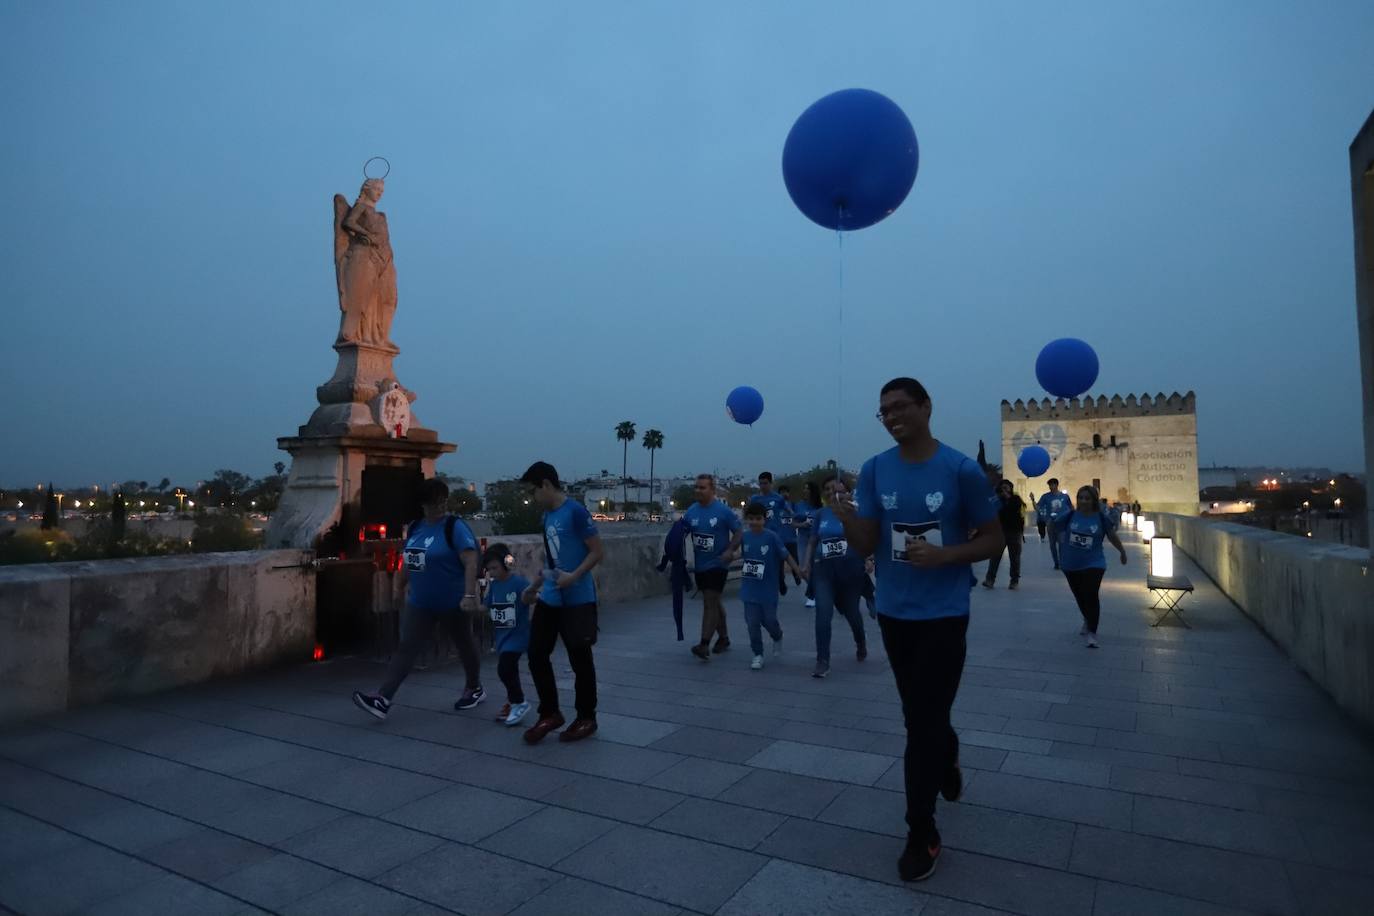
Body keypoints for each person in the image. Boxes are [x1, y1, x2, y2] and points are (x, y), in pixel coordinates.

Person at [831, 377, 1003, 883]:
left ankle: (920, 830)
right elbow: (866, 543)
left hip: (945, 614)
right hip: (894, 613)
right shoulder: (875, 470)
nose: (891, 416)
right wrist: (843, 515)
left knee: (920, 723)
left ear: (927, 406)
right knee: (921, 714)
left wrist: (945, 555)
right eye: (883, 410)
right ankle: (946, 756)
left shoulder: (960, 470)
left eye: (901, 406)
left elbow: (993, 540)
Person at [352, 478, 485, 720]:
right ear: (423, 504)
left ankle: (474, 687)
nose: (441, 507)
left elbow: (470, 561)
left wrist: (469, 594)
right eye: (435, 503)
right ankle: (383, 698)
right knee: (407, 647)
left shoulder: (454, 527)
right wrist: (399, 586)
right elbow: (411, 559)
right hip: (421, 602)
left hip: (453, 601)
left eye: (443, 501)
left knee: (464, 643)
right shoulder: (415, 528)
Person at [518, 461, 604, 744]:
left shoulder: (575, 512)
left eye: (533, 491)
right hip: (551, 596)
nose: (532, 498)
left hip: (578, 598)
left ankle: (586, 717)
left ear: (546, 484)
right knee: (536, 653)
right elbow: (551, 560)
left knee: (580, 660)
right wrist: (534, 586)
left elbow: (597, 551)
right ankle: (550, 712)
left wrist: (575, 576)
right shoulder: (547, 517)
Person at [801, 474, 870, 678]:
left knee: (852, 614)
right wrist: (805, 564)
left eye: (837, 490)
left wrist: (869, 559)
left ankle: (861, 641)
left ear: (846, 492)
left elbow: (867, 538)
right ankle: (822, 660)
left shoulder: (856, 512)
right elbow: (813, 541)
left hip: (850, 571)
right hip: (824, 571)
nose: (832, 493)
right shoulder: (821, 514)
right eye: (828, 490)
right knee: (823, 614)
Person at [1050, 485, 1127, 648]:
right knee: (1079, 596)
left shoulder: (1100, 517)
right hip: (1070, 564)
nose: (1084, 501)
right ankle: (1087, 618)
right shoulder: (1070, 515)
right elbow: (1054, 526)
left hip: (1094, 562)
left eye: (1087, 498)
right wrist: (1059, 541)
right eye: (1081, 498)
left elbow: (1111, 535)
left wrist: (1122, 551)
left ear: (1094, 500)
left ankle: (1092, 631)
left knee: (1091, 595)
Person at [729, 503, 801, 669]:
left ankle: (777, 635)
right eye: (751, 519)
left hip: (768, 589)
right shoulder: (745, 536)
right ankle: (758, 653)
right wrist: (730, 557)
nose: (754, 522)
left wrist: (797, 571)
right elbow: (743, 553)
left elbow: (786, 555)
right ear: (747, 520)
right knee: (752, 623)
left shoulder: (772, 537)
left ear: (764, 519)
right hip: (749, 589)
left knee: (769, 620)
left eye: (758, 519)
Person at [684, 474, 743, 660]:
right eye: (696, 487)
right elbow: (681, 532)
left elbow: (739, 531)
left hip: (718, 564)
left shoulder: (723, 511)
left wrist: (730, 550)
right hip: (700, 565)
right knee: (714, 602)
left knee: (709, 602)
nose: (698, 491)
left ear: (712, 490)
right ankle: (724, 638)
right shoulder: (691, 511)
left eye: (702, 488)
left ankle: (704, 644)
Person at [481, 543, 533, 726]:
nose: (492, 572)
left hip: (518, 636)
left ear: (506, 563)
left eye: (495, 567)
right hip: (502, 637)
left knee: (505, 668)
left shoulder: (519, 582)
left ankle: (519, 702)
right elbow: (485, 606)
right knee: (509, 671)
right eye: (489, 569)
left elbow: (529, 596)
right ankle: (512, 701)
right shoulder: (494, 586)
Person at [749, 472, 791, 596]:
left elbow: (788, 510)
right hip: (759, 535)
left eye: (765, 483)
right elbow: (750, 514)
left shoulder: (778, 498)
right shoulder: (755, 499)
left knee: (777, 562)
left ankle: (780, 579)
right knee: (761, 561)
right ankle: (762, 587)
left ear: (771, 483)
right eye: (760, 483)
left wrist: (794, 517)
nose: (763, 486)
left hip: (775, 535)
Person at [984, 480, 1027, 589]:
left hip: (1014, 532)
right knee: (995, 557)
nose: (1004, 490)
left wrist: (1007, 497)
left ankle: (1014, 581)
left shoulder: (1016, 499)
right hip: (1000, 532)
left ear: (1011, 488)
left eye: (1006, 487)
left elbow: (1015, 509)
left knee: (1015, 558)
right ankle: (990, 579)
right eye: (1002, 487)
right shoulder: (997, 500)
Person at [656, 515, 691, 640]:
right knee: (677, 598)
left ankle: (679, 630)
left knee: (677, 598)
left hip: (676, 562)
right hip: (678, 562)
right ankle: (679, 630)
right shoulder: (682, 529)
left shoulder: (677, 530)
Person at [792, 480, 822, 609]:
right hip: (803, 539)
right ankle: (815, 592)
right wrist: (802, 524)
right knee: (802, 569)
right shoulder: (799, 505)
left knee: (818, 568)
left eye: (807, 488)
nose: (805, 491)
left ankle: (814, 595)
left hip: (818, 539)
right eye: (804, 488)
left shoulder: (821, 506)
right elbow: (792, 523)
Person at [1036, 480, 1070, 570]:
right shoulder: (1045, 496)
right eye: (1049, 485)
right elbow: (1038, 507)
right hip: (1051, 523)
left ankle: (1062, 561)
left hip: (1062, 523)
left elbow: (1070, 508)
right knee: (1052, 544)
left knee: (1062, 543)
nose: (1051, 486)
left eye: (1052, 484)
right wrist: (1032, 500)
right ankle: (1056, 562)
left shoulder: (1065, 496)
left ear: (1057, 485)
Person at [776, 484, 804, 587]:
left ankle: (796, 575)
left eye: (786, 492)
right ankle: (781, 582)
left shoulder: (793, 505)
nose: (784, 494)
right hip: (779, 540)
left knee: (795, 560)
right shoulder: (776, 507)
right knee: (779, 564)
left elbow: (798, 517)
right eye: (782, 492)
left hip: (792, 539)